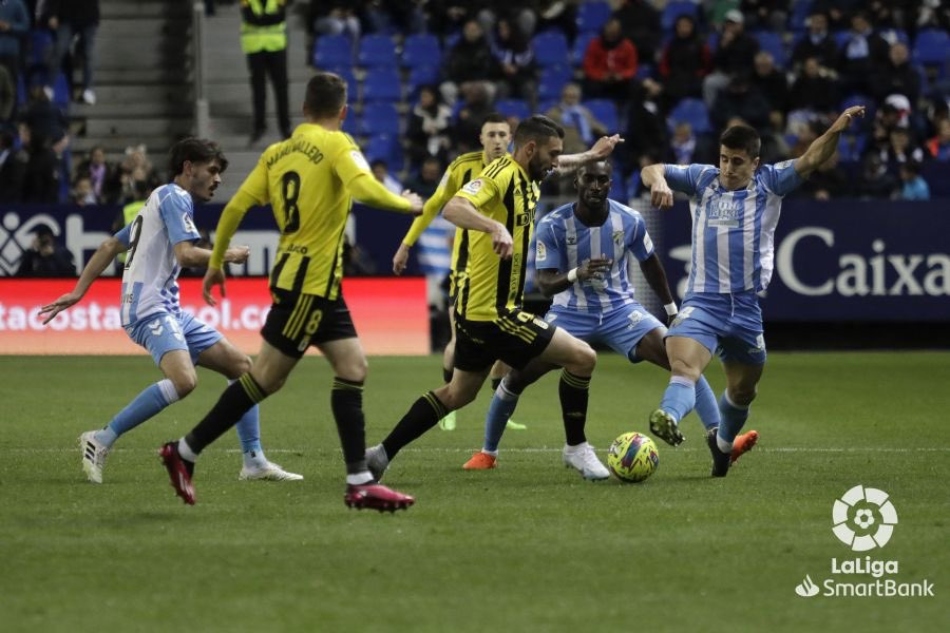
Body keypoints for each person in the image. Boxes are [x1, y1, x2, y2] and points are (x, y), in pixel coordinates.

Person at [158, 72, 423, 510]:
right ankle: (184, 451)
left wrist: (216, 264)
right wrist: (406, 204)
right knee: (264, 378)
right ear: (343, 111)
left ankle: (359, 480)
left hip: (309, 282)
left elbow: (236, 207)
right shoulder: (338, 144)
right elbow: (362, 188)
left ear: (302, 110)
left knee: (353, 366)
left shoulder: (277, 153)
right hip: (310, 284)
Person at [367, 115, 623, 482]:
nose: (555, 162)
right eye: (551, 154)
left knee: (457, 394)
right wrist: (494, 225)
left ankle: (381, 454)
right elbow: (453, 207)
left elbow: (560, 165)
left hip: (479, 311)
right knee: (583, 358)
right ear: (530, 149)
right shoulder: (501, 176)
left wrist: (589, 155)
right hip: (495, 313)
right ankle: (576, 448)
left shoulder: (531, 173)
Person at [463, 160, 759, 474]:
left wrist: (672, 311)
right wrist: (578, 272)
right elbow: (545, 284)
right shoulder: (553, 224)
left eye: (602, 180)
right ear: (576, 182)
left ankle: (719, 439)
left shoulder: (629, 219)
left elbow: (650, 263)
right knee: (517, 377)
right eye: (589, 179)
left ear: (610, 184)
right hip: (569, 313)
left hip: (621, 312)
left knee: (682, 359)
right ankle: (488, 452)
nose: (595, 186)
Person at [39, 138, 302, 484]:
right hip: (149, 308)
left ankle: (253, 460)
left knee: (241, 368)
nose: (218, 179)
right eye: (212, 171)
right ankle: (100, 438)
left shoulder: (157, 199)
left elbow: (109, 245)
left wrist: (78, 291)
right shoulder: (176, 197)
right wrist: (226, 255)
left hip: (167, 308)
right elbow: (185, 255)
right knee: (184, 380)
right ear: (188, 167)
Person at [641, 105, 867, 477]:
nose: (728, 169)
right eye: (724, 159)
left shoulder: (770, 183)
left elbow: (811, 159)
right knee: (684, 365)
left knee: (744, 391)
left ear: (755, 163)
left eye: (738, 162)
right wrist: (660, 182)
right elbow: (652, 168)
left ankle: (723, 446)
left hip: (745, 308)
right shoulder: (702, 179)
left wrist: (836, 130)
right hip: (702, 301)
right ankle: (668, 414)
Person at [392, 113, 529, 433]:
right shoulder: (460, 167)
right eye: (491, 134)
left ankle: (499, 411)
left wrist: (589, 156)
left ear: (511, 139)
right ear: (481, 139)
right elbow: (434, 205)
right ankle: (448, 403)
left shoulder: (517, 168)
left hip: (503, 273)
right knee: (457, 339)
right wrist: (406, 244)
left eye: (502, 135)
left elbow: (555, 162)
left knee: (507, 346)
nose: (497, 140)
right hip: (466, 272)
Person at [241, 0, 292, 143]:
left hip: (276, 46)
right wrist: (268, 19)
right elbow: (249, 17)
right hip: (255, 47)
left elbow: (280, 17)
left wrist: (260, 19)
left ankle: (285, 126)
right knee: (258, 90)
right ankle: (259, 126)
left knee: (281, 88)